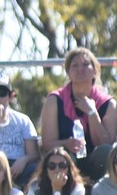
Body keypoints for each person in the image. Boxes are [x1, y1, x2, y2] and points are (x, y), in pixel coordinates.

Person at [38, 45, 117, 182]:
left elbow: (106, 144)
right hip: (67, 164)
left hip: (96, 165)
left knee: (106, 151)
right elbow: (47, 144)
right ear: (68, 72)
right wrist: (66, 143)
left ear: (95, 72)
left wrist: (92, 113)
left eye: (86, 64)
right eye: (75, 65)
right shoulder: (54, 101)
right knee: (61, 154)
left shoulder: (109, 104)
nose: (80, 69)